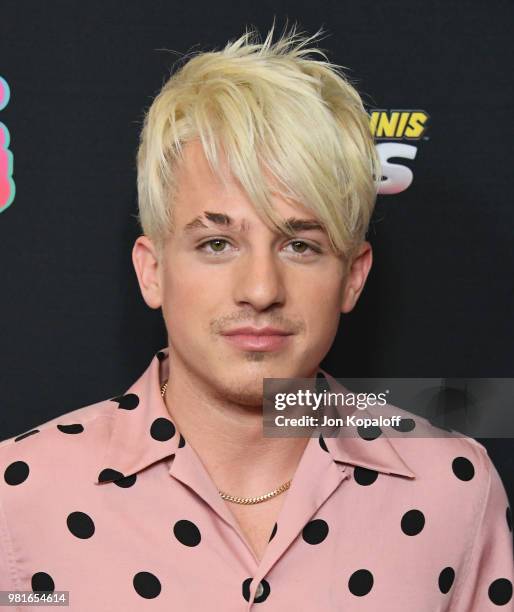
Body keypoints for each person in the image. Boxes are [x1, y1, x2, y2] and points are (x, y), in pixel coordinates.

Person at [0, 23, 512, 611]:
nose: (262, 289)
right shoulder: (21, 497)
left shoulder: (453, 487)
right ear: (152, 271)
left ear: (352, 276)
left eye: (301, 245)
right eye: (217, 243)